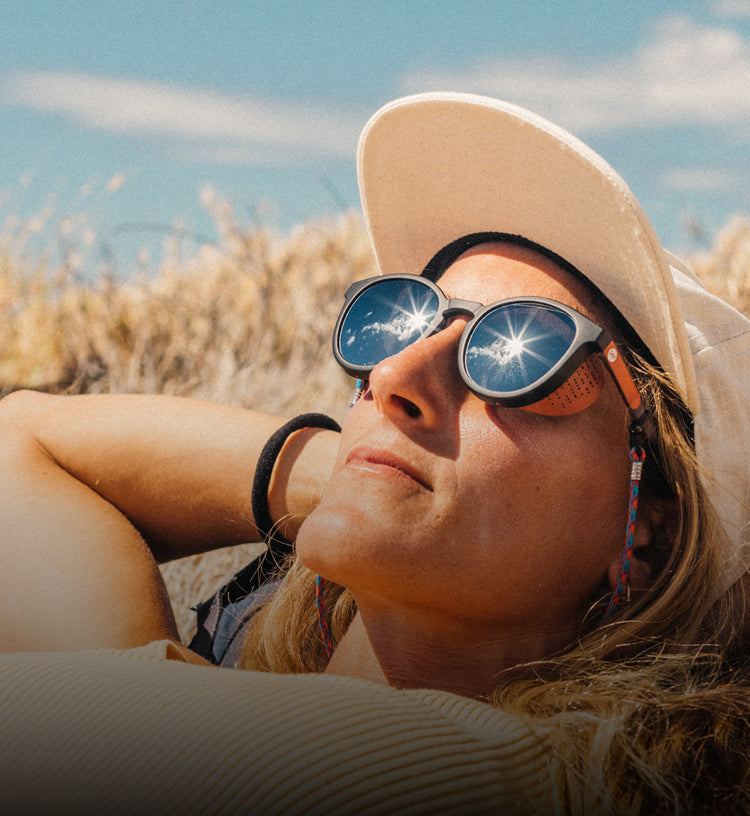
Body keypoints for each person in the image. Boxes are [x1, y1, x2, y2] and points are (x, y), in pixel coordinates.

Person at [0, 92, 749, 814]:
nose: (392, 378)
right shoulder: (197, 726)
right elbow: (18, 439)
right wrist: (368, 476)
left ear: (654, 530)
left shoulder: (485, 780)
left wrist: (380, 480)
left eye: (524, 352)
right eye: (407, 322)